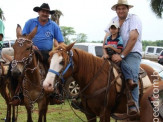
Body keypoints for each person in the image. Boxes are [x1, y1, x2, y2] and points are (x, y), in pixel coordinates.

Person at [10, 3, 64, 106]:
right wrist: (31, 45)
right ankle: (18, 94)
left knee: (57, 70)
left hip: (47, 53)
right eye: (43, 11)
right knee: (15, 67)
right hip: (31, 52)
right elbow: (23, 37)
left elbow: (60, 41)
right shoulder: (30, 22)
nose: (45, 14)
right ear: (39, 12)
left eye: (47, 12)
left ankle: (56, 93)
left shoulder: (53, 25)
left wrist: (60, 49)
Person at [103, 0, 142, 115]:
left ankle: (133, 105)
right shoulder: (113, 20)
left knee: (131, 74)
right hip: (113, 53)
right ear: (116, 10)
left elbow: (133, 38)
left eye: (123, 8)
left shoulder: (134, 19)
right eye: (118, 9)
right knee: (98, 69)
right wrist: (104, 52)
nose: (121, 11)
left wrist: (122, 55)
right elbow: (105, 37)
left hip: (131, 53)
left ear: (128, 9)